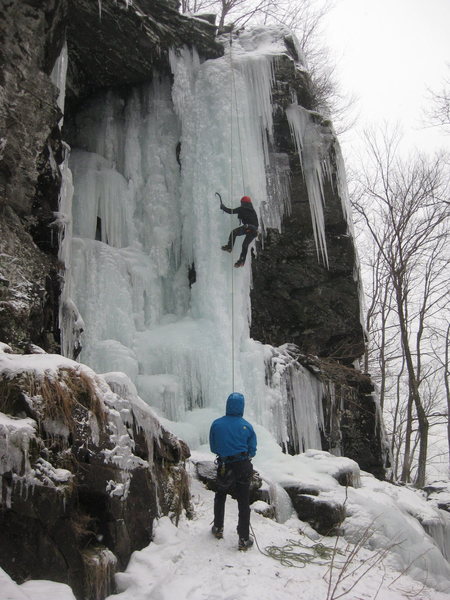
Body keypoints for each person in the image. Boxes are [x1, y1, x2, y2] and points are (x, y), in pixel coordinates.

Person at [209, 392, 257, 551]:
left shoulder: (216, 424)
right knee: (243, 501)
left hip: (225, 465)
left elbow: (213, 447)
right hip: (242, 465)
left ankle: (218, 527)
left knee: (220, 495)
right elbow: (252, 450)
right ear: (242, 407)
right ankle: (243, 538)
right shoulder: (247, 426)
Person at [220, 195, 259, 268]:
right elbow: (256, 224)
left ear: (243, 203)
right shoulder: (253, 211)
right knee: (245, 245)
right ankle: (241, 261)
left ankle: (229, 247)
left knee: (234, 233)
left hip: (248, 228)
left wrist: (223, 207)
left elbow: (231, 211)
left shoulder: (242, 209)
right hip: (254, 230)